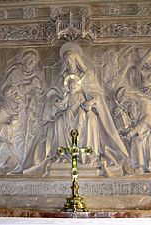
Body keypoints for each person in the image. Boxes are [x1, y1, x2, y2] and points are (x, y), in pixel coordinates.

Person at [43, 43, 132, 175]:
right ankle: (65, 155)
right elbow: (56, 92)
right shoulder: (63, 77)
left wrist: (92, 101)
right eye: (66, 60)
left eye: (71, 59)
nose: (68, 62)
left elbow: (97, 94)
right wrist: (56, 100)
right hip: (68, 108)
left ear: (77, 60)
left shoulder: (87, 75)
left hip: (85, 109)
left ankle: (89, 155)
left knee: (89, 118)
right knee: (60, 121)